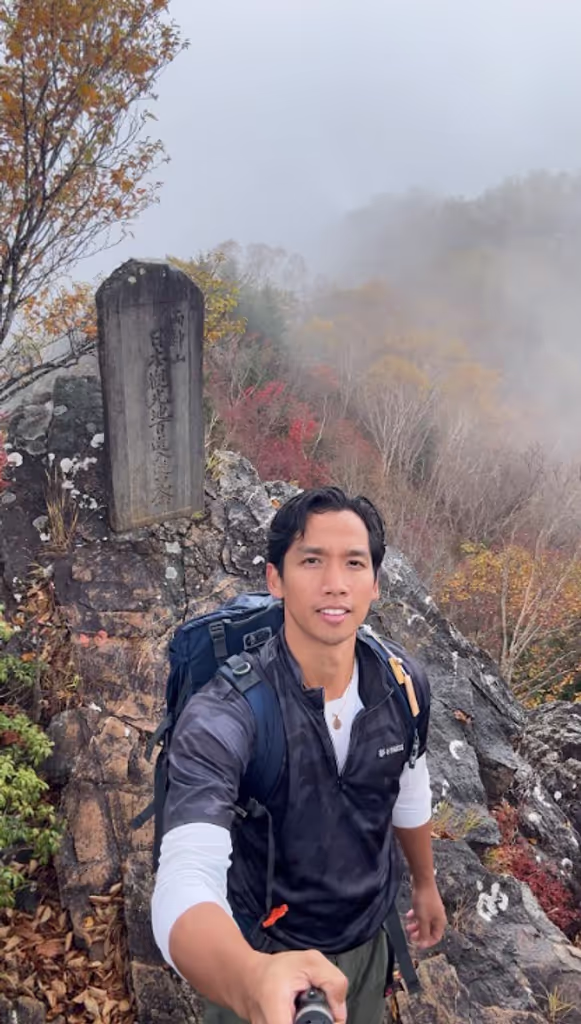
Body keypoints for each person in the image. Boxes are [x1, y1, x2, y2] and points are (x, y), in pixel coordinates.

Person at [151, 487, 446, 1024]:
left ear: (376, 583)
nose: (335, 584)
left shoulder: (401, 685)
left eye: (354, 563)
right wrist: (249, 979)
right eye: (311, 560)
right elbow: (185, 877)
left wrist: (425, 884)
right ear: (275, 578)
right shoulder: (228, 714)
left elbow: (408, 778)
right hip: (262, 953)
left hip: (365, 942)